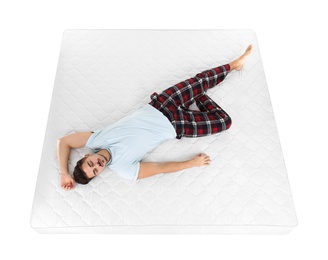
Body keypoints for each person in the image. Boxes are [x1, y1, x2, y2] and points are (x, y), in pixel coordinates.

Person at [58, 45, 253, 190]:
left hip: (161, 104)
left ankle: (234, 65)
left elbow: (64, 142)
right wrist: (191, 163)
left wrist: (64, 173)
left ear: (86, 155)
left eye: (90, 163)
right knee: (224, 122)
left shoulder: (95, 139)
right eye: (95, 171)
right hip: (176, 126)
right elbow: (160, 167)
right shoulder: (124, 169)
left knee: (199, 80)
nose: (97, 165)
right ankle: (198, 96)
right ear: (98, 174)